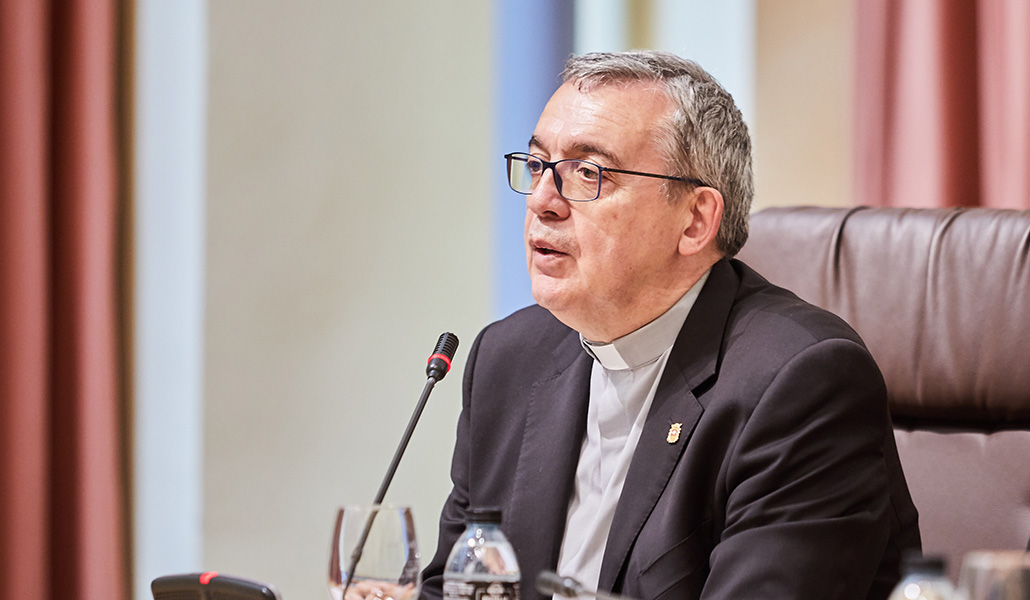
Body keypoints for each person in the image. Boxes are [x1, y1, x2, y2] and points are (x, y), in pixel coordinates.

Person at [421, 50, 920, 600]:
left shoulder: (801, 382)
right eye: (538, 166)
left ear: (695, 220)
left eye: (588, 173)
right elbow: (456, 587)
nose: (542, 201)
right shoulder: (508, 360)